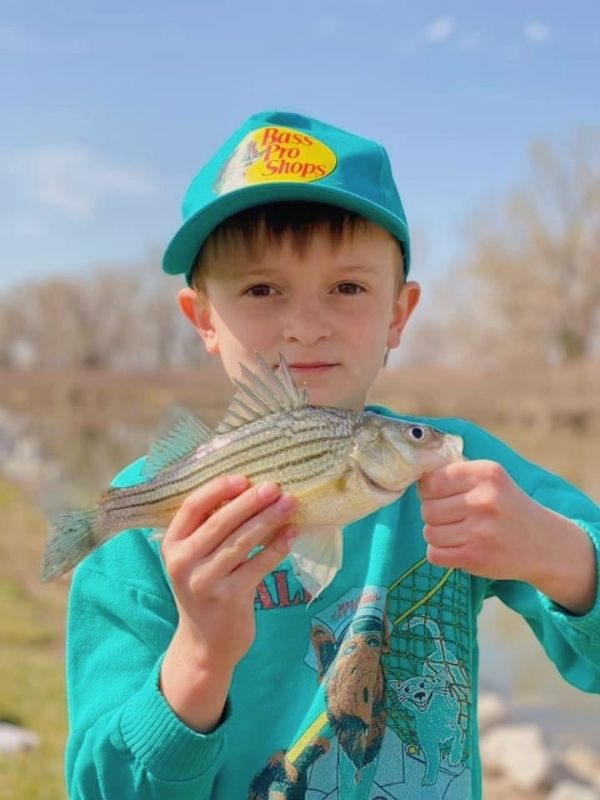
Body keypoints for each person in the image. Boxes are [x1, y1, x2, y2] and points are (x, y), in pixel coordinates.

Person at [65, 110, 600, 800]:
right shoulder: (138, 539)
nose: (306, 326)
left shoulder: (458, 471)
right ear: (202, 320)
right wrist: (200, 656)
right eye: (262, 289)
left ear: (399, 315)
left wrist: (561, 555)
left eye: (347, 288)